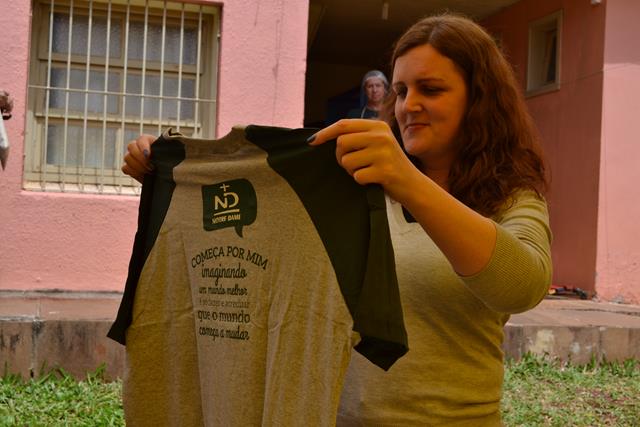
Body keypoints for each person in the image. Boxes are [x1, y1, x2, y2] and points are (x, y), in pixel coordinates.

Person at [122, 12, 551, 425]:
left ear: (480, 98)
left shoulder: (510, 198)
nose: (408, 106)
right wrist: (175, 177)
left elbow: (522, 287)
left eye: (431, 89)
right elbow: (257, 231)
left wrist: (407, 181)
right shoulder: (352, 187)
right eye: (401, 91)